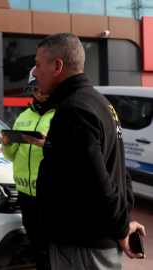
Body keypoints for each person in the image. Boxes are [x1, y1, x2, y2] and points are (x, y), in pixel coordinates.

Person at [33, 32, 146, 270]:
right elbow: (119, 170)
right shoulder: (99, 102)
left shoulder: (73, 110)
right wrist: (122, 220)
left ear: (57, 66)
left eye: (37, 65)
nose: (34, 73)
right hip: (92, 244)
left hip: (81, 246)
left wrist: (122, 226)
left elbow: (97, 182)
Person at [0, 67, 55, 270]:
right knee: (37, 247)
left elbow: (67, 156)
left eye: (39, 87)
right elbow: (12, 156)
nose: (37, 92)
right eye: (33, 88)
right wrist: (7, 143)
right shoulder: (23, 116)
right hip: (25, 194)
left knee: (52, 249)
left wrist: (47, 145)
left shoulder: (61, 115)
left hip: (49, 194)